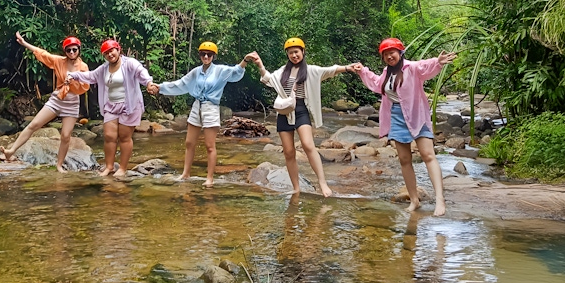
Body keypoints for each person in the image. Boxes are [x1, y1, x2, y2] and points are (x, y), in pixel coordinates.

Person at [351, 38, 456, 216]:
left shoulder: (411, 68)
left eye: (392, 52)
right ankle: (414, 200)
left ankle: (440, 200)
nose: (389, 56)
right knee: (404, 160)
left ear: (400, 53)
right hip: (397, 118)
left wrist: (437, 62)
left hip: (416, 114)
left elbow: (425, 66)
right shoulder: (386, 73)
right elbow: (377, 84)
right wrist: (363, 71)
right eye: (385, 54)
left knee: (428, 155)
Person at [251, 38, 355, 197]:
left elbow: (330, 70)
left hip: (301, 110)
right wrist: (260, 64)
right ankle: (296, 188)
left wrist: (348, 67)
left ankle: (322, 183)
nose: (294, 55)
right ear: (287, 54)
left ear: (303, 52)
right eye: (291, 53)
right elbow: (269, 79)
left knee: (308, 145)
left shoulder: (311, 70)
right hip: (284, 112)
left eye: (296, 52)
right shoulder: (282, 71)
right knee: (289, 152)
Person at [155, 41, 254, 187]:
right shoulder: (196, 72)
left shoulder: (220, 70)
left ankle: (210, 178)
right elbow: (181, 84)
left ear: (214, 56)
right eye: (203, 54)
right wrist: (160, 88)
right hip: (197, 106)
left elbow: (236, 72)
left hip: (211, 107)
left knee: (209, 145)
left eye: (209, 54)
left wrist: (245, 60)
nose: (206, 56)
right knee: (189, 142)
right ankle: (186, 173)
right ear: (200, 55)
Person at [66, 39, 159, 177]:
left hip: (130, 105)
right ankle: (109, 167)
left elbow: (141, 72)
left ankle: (122, 168)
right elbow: (90, 76)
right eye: (106, 53)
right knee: (109, 136)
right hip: (111, 105)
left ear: (118, 50)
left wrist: (149, 83)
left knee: (124, 137)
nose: (110, 55)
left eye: (111, 51)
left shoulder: (130, 64)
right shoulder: (104, 69)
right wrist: (72, 75)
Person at [0, 32, 89, 173]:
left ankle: (59, 165)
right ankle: (11, 151)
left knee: (65, 136)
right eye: (68, 50)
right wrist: (23, 43)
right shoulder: (59, 61)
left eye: (74, 49)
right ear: (65, 51)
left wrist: (74, 82)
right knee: (34, 124)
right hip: (57, 99)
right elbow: (41, 53)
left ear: (79, 50)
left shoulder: (83, 67)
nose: (71, 52)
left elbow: (85, 87)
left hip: (72, 103)